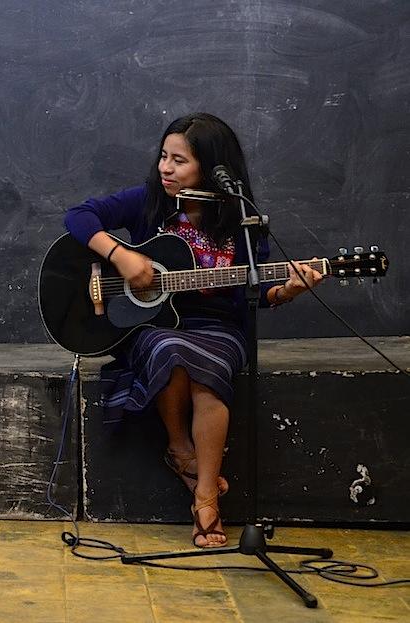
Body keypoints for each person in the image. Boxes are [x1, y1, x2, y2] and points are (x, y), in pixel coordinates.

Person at [63, 112, 324, 548]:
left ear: (209, 166)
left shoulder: (239, 218)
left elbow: (255, 292)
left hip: (217, 326)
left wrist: (288, 291)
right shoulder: (149, 201)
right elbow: (79, 216)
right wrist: (121, 257)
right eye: (164, 157)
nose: (165, 167)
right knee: (169, 349)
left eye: (179, 160)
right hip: (156, 323)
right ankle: (180, 449)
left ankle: (206, 495)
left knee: (208, 373)